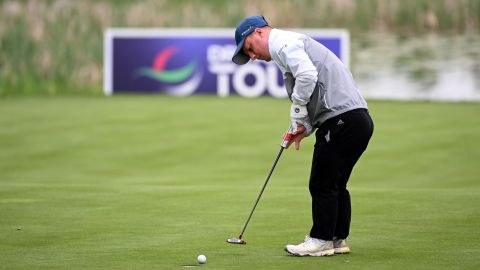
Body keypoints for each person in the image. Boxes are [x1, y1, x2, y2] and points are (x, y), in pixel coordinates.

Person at [232, 16, 374, 256]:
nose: (253, 57)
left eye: (249, 49)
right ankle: (337, 239)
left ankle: (320, 239)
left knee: (322, 182)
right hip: (356, 120)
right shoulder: (287, 46)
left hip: (341, 120)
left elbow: (308, 76)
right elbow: (315, 90)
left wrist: (296, 109)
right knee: (336, 183)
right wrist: (303, 126)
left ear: (258, 33)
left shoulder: (283, 43)